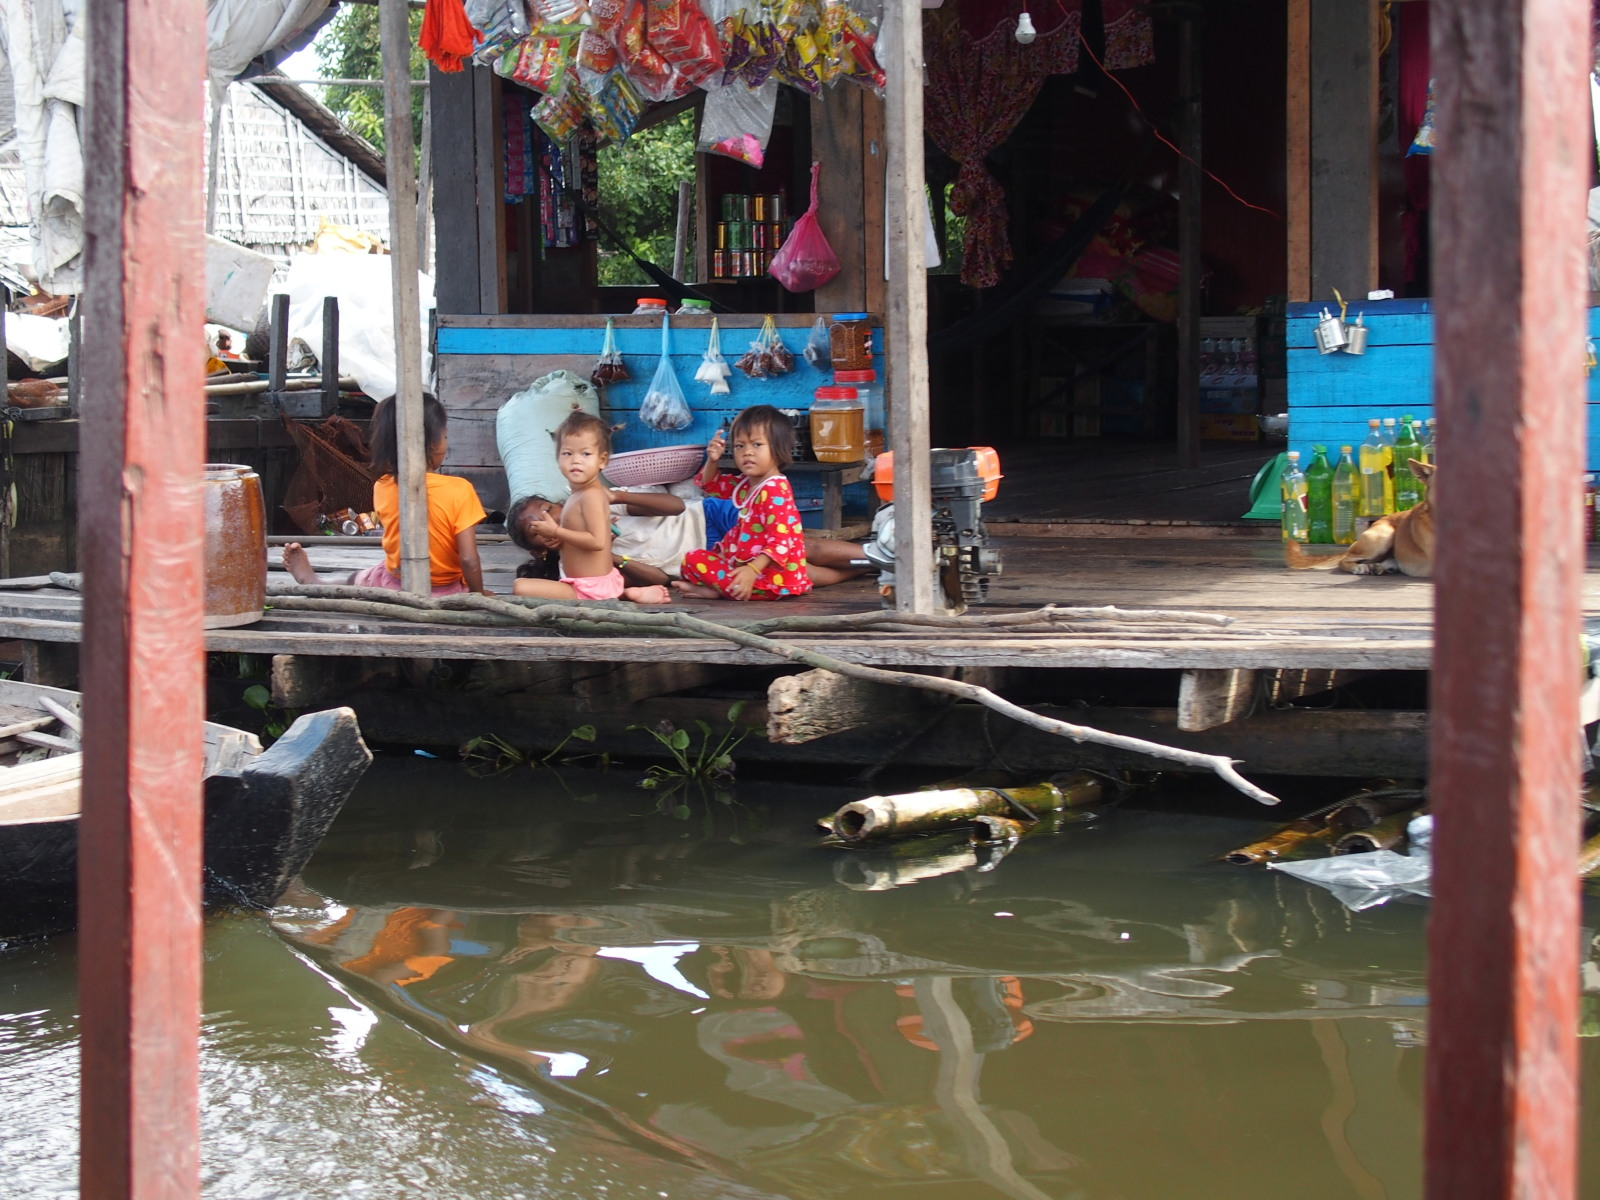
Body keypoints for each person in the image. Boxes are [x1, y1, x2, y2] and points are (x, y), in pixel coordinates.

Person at [281, 393, 487, 594]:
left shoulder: (382, 486)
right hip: (445, 592)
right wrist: (479, 594)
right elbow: (468, 560)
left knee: (363, 577)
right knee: (372, 573)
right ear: (432, 444)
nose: (445, 441)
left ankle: (317, 582)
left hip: (394, 586)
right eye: (444, 436)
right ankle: (319, 581)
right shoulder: (460, 489)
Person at [511, 412, 671, 604]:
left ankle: (625, 595)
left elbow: (597, 542)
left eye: (585, 454)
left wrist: (556, 531)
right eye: (567, 453)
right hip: (584, 584)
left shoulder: (593, 495)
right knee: (520, 586)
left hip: (592, 588)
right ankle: (624, 594)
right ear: (558, 459)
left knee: (520, 588)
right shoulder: (578, 495)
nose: (575, 460)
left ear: (602, 460)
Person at [676, 405, 812, 601]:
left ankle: (717, 592)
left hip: (771, 579)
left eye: (757, 445)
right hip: (747, 569)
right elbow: (710, 484)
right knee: (691, 559)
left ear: (778, 448)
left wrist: (752, 569)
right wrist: (712, 460)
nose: (747, 452)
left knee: (697, 563)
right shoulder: (747, 484)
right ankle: (720, 590)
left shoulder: (774, 489)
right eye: (740, 446)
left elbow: (781, 541)